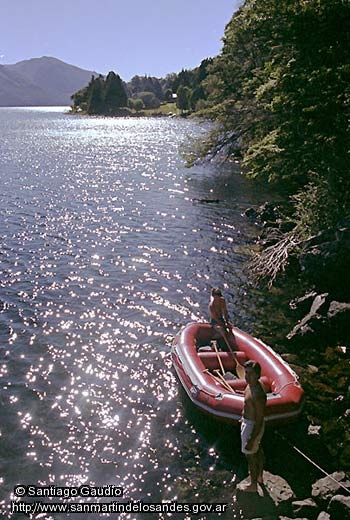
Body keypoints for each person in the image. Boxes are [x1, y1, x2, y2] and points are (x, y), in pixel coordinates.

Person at [239, 360, 267, 493]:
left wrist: (251, 438)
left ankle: (253, 485)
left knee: (250, 456)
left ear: (257, 375)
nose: (246, 376)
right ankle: (260, 477)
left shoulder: (258, 394)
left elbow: (260, 419)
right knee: (258, 450)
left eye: (250, 374)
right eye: (246, 373)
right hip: (247, 422)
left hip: (252, 426)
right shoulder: (250, 386)